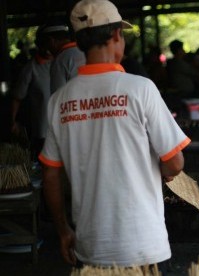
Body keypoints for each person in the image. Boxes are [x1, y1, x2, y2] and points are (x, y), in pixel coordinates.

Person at [38, 0, 190, 272]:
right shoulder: (140, 89)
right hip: (143, 244)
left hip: (91, 245)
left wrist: (63, 230)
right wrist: (161, 169)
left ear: (80, 41)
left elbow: (50, 175)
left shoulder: (60, 101)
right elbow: (175, 162)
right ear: (117, 35)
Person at [11, 24, 54, 158]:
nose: (47, 49)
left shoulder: (61, 62)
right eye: (44, 43)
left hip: (62, 129)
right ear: (38, 44)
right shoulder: (30, 68)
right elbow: (17, 97)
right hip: (41, 131)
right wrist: (12, 122)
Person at [41, 20, 86, 93]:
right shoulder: (85, 51)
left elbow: (58, 97)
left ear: (51, 41)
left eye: (46, 44)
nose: (47, 49)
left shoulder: (59, 61)